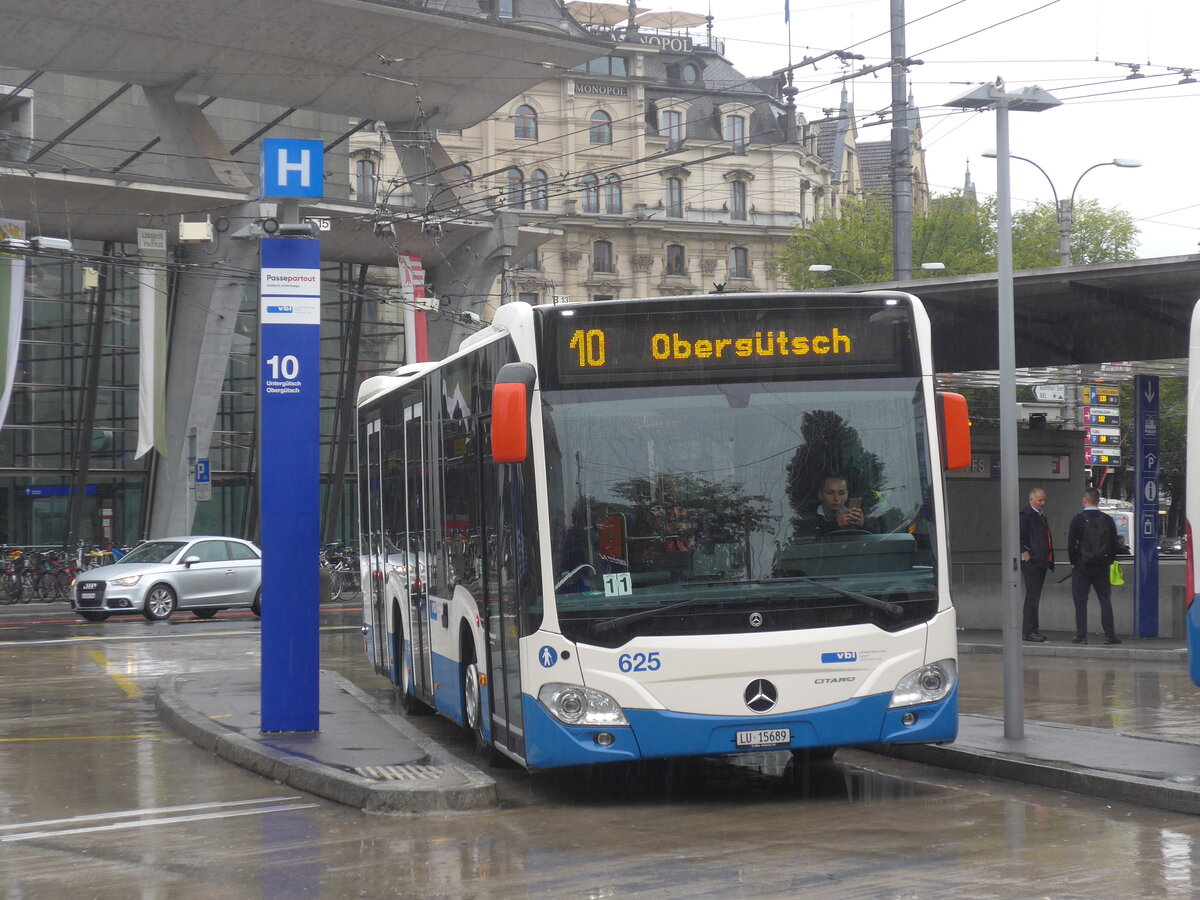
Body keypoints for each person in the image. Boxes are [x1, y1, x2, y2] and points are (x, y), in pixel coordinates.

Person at [1066, 488, 1122, 645]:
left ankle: (1081, 636)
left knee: (1080, 601)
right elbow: (1114, 543)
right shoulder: (1107, 520)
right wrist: (1109, 560)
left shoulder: (1078, 519)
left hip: (1082, 566)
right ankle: (1110, 635)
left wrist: (1073, 562)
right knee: (1105, 599)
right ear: (1098, 501)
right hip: (1102, 566)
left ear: (1085, 501)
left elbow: (1071, 544)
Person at [1018, 487, 1053, 642]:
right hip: (1033, 561)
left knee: (1034, 596)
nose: (1042, 503)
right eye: (1040, 500)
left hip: (1040, 561)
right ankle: (1029, 631)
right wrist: (1025, 554)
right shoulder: (1026, 516)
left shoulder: (1040, 517)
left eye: (1044, 500)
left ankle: (1033, 629)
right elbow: (1020, 536)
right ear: (1031, 500)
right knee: (1032, 596)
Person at [798, 475, 867, 537]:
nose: (836, 498)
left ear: (846, 495)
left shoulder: (855, 516)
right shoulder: (808, 518)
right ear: (820, 495)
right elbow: (809, 540)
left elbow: (875, 537)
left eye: (841, 493)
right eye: (830, 493)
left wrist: (864, 524)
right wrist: (836, 524)